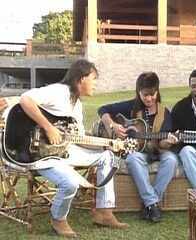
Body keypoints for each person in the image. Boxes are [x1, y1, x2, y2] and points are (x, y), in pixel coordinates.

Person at [19, 59, 128, 238]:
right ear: (81, 79)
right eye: (93, 79)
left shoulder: (77, 105)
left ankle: (104, 212)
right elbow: (25, 99)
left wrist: (109, 143)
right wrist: (48, 127)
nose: (95, 84)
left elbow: (79, 139)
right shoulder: (58, 91)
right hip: (39, 153)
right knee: (70, 182)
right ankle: (58, 219)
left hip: (66, 150)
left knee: (108, 156)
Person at [98, 72, 178, 223]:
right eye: (144, 95)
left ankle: (150, 203)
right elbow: (102, 109)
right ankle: (152, 204)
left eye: (152, 94)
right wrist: (113, 125)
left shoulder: (164, 113)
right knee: (133, 158)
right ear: (138, 93)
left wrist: (168, 142)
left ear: (157, 91)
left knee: (172, 160)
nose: (149, 98)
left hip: (157, 151)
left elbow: (162, 144)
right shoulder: (131, 107)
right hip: (137, 152)